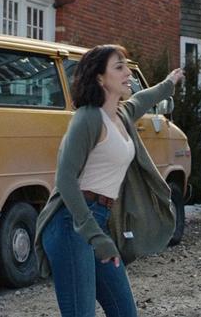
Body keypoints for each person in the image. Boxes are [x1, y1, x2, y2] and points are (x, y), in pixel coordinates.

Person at [34, 44, 184, 317]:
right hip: (71, 223)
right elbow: (65, 179)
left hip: (99, 221)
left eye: (127, 66)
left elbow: (145, 99)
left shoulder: (122, 114)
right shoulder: (88, 118)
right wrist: (93, 234)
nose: (128, 72)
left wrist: (169, 82)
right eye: (119, 67)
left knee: (125, 312)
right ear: (100, 78)